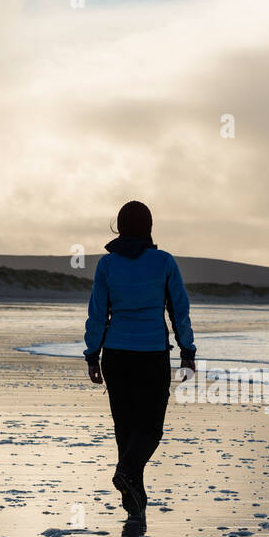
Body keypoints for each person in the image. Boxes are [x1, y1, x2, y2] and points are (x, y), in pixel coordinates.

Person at [83, 200, 196, 519]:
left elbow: (96, 314)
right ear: (148, 228)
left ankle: (134, 499)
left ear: (120, 227)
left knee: (126, 429)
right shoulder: (164, 262)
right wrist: (187, 352)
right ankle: (130, 480)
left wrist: (92, 355)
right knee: (150, 429)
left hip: (116, 357)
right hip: (151, 356)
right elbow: (179, 311)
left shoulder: (107, 265)